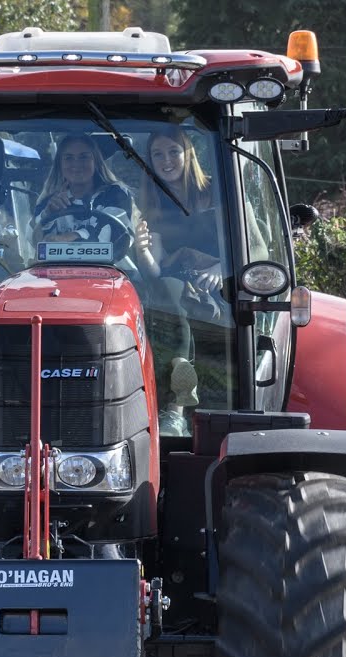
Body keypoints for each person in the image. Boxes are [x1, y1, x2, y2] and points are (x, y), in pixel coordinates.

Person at [132, 127, 224, 437]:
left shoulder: (219, 190)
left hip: (222, 283)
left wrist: (221, 269)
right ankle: (176, 406)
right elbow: (155, 270)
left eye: (173, 151)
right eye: (157, 154)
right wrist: (141, 250)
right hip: (178, 283)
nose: (166, 159)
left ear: (189, 154)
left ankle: (174, 408)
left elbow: (251, 245)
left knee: (172, 301)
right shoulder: (153, 205)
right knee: (168, 294)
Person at [32, 134, 134, 245]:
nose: (76, 164)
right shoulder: (50, 202)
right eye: (69, 158)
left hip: (108, 263)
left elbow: (116, 232)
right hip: (59, 263)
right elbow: (32, 240)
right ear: (60, 165)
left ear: (96, 161)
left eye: (84, 157)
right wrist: (47, 214)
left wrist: (69, 238)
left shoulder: (116, 194)